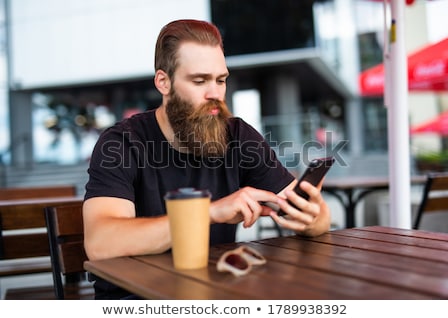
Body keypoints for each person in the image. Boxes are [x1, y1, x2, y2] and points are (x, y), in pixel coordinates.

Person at [83, 19, 331, 299]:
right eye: (200, 81)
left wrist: (313, 216)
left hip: (211, 294)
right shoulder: (121, 143)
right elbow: (101, 243)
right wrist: (209, 213)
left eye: (221, 80)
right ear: (163, 82)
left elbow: (311, 214)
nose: (215, 93)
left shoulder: (237, 135)